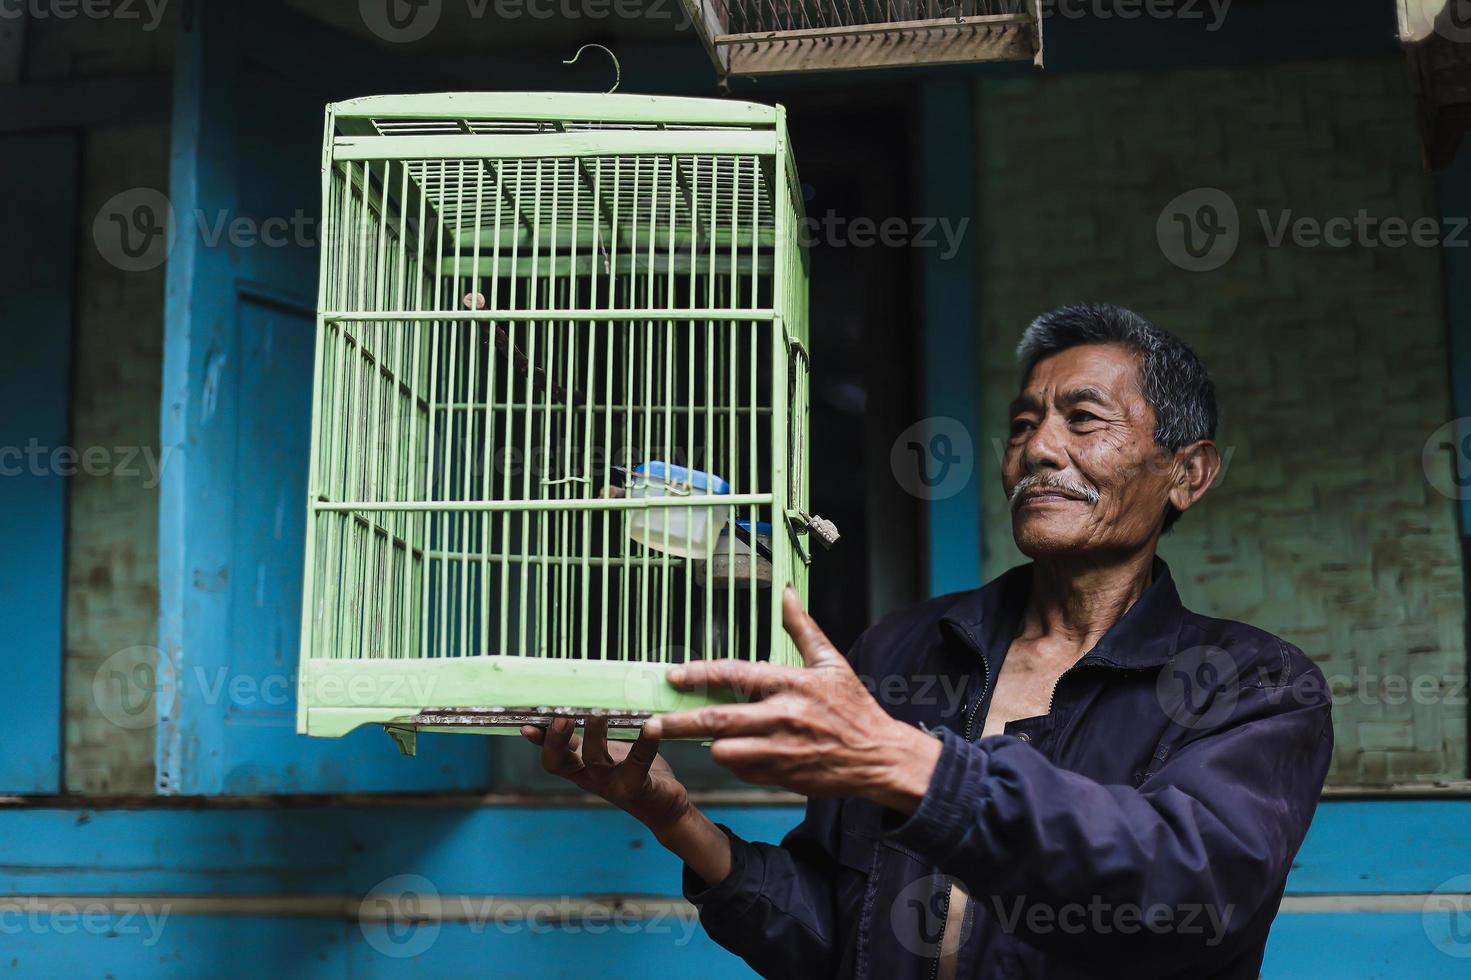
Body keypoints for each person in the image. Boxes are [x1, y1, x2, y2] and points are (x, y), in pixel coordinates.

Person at [522, 303, 1333, 979]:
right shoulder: (906, 649)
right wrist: (674, 819)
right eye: (1022, 425)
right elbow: (837, 941)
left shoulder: (1252, 685)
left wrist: (905, 762)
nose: (1039, 450)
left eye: (1083, 420)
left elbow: (1187, 891)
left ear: (1188, 473)